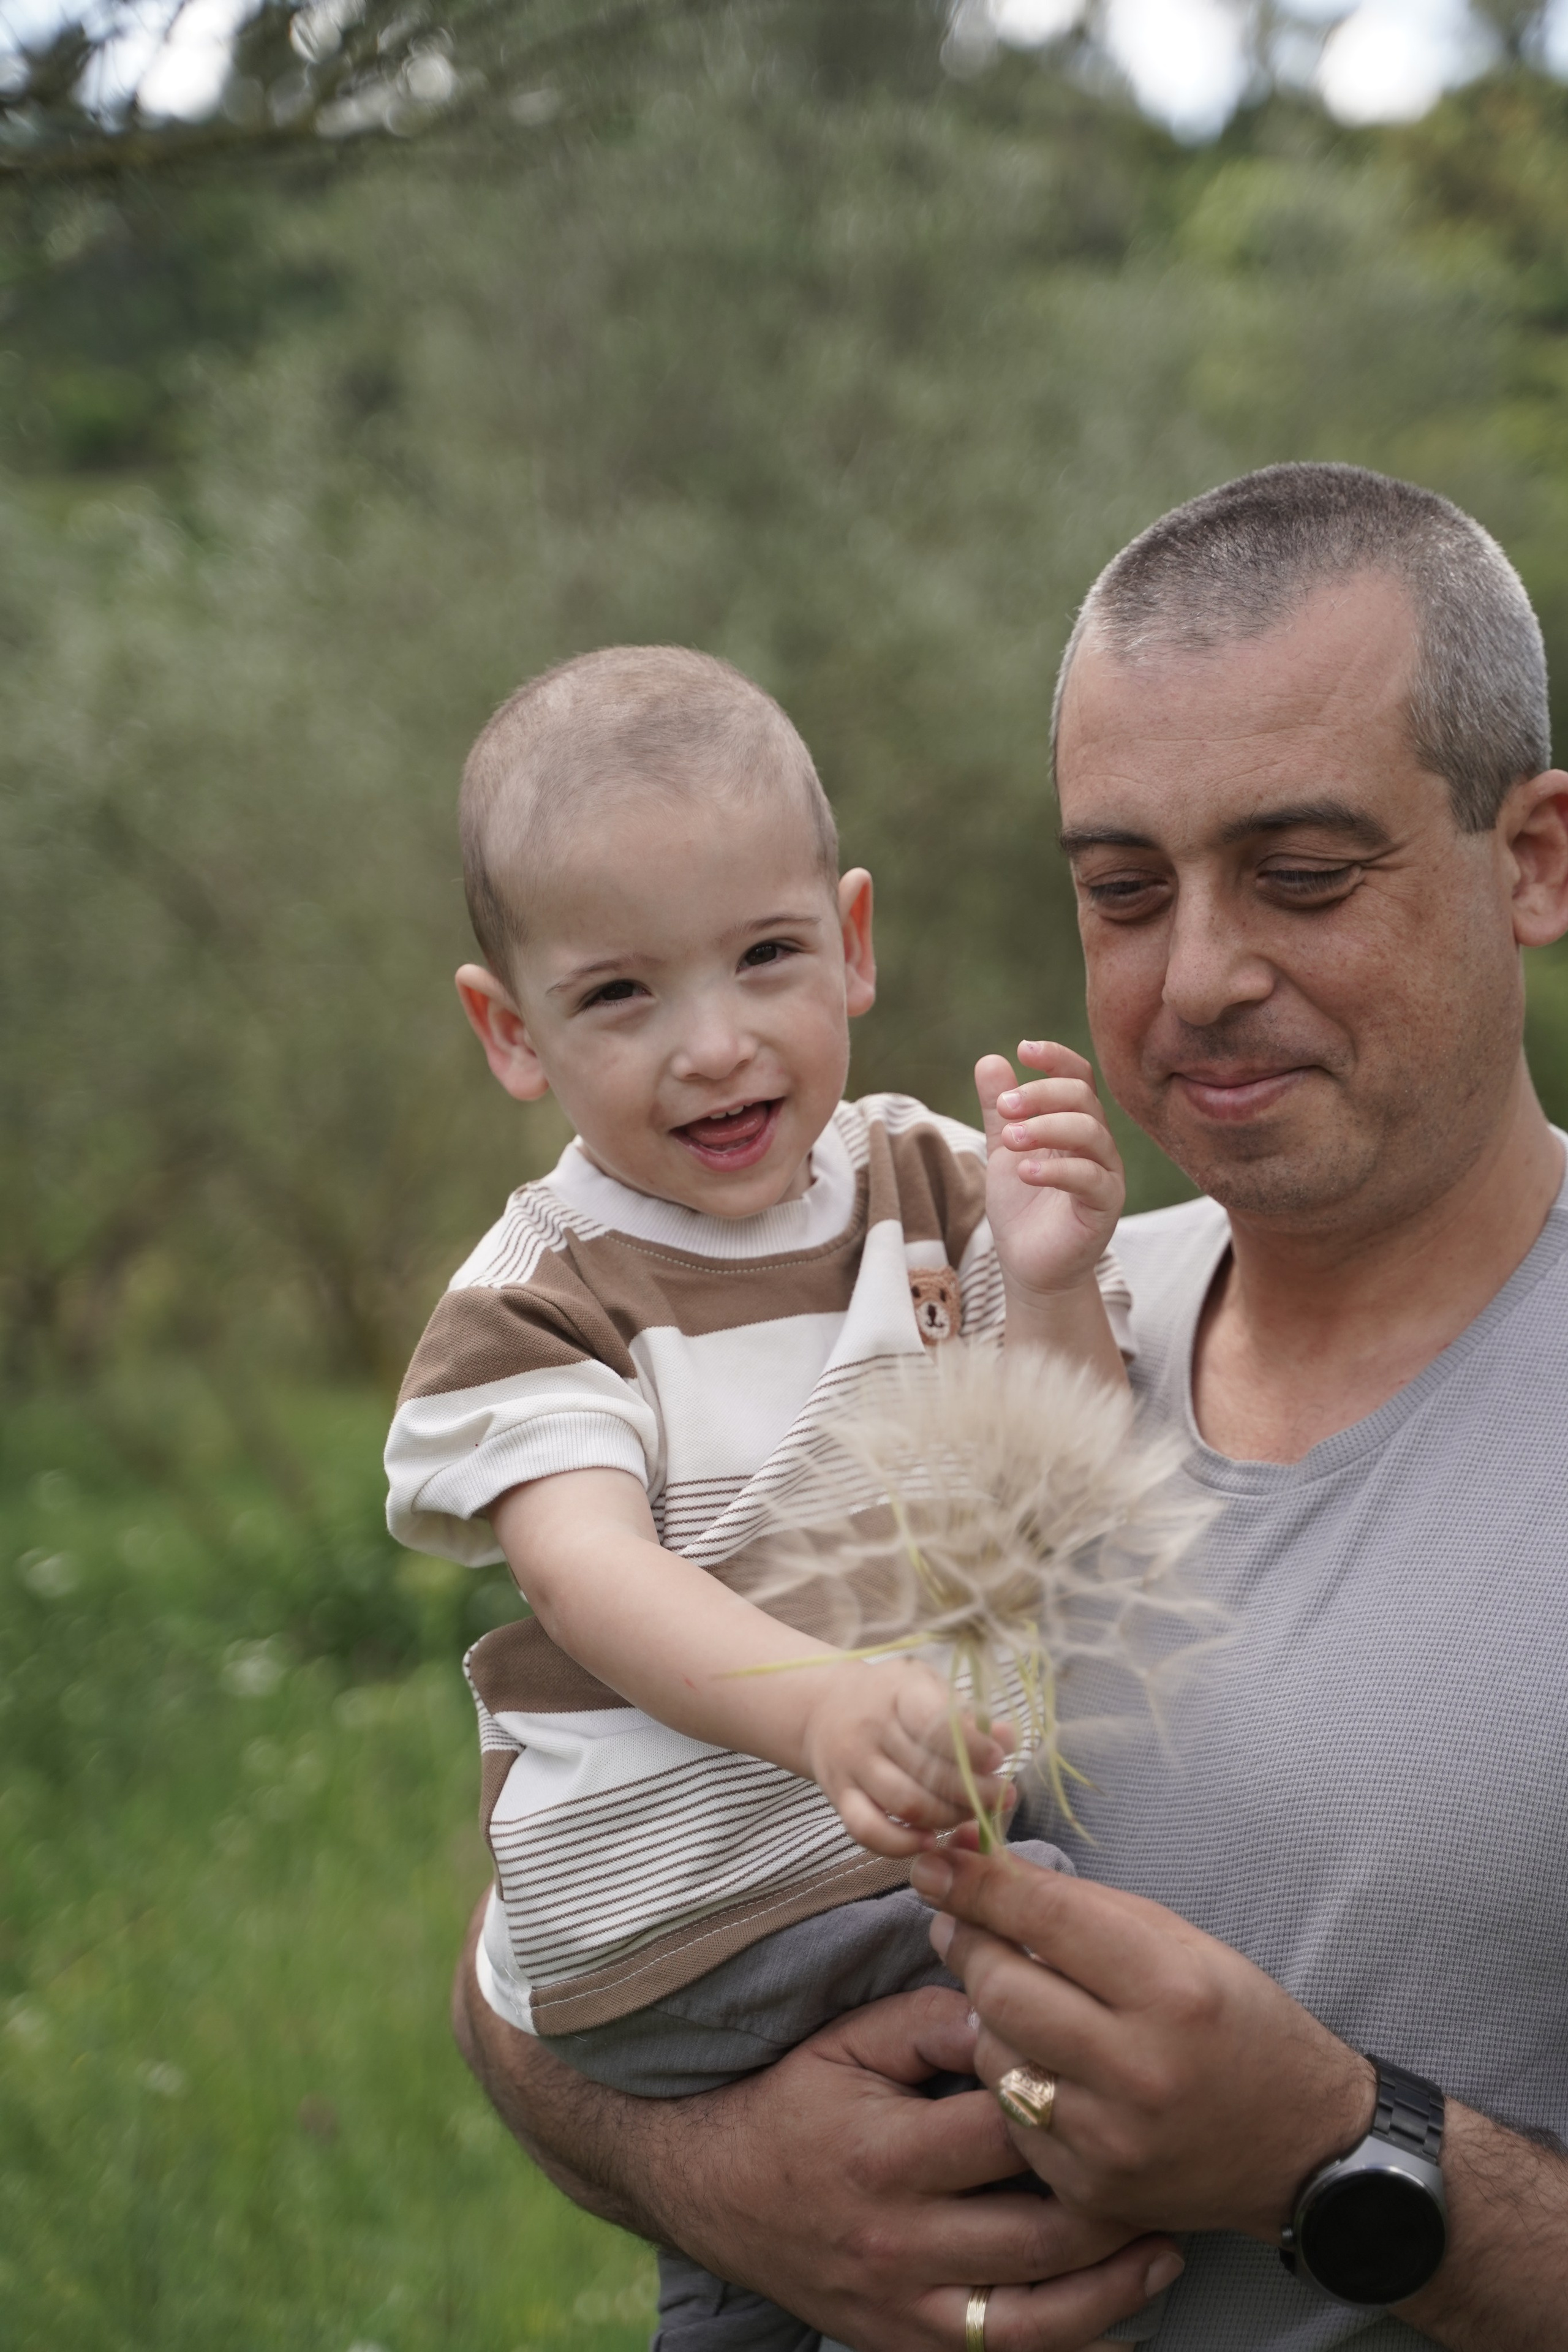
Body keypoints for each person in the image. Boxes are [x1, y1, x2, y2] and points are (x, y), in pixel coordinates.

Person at [451, 463, 1568, 2351]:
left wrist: (1344, 2156)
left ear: (1533, 859)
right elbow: (528, 1975)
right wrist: (725, 2184)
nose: (1199, 976)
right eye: (1124, 893)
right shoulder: (994, 1310)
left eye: (1304, 877)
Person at [385, 644, 1139, 2351]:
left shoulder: (938, 1185)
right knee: (1096, 2013)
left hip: (880, 1878)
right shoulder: (545, 1291)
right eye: (621, 996)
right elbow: (587, 1574)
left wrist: (1066, 1279)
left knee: (797, 2283)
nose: (714, 1047)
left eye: (767, 957)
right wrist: (816, 1709)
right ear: (513, 1032)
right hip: (701, 1925)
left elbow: (1070, 1491)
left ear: (854, 943)